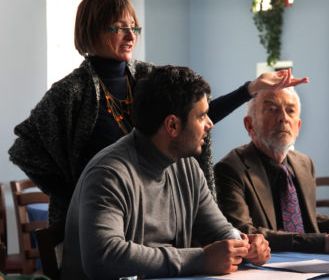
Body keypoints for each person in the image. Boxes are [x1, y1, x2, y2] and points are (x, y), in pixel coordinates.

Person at [8, 0, 308, 226]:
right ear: (93, 30)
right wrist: (76, 196)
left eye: (133, 27)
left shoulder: (149, 78)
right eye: (120, 28)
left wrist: (250, 90)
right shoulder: (71, 91)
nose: (131, 36)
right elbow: (25, 150)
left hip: (152, 216)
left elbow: (193, 122)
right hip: (96, 223)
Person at [60, 65, 271, 280]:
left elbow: (219, 231)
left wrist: (245, 245)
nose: (210, 124)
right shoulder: (109, 174)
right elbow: (103, 258)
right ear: (172, 125)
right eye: (202, 116)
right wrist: (199, 259)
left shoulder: (187, 167)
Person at [214, 86, 329, 253]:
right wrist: (321, 242)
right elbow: (243, 233)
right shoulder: (230, 169)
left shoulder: (305, 164)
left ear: (298, 125)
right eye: (272, 110)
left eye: (290, 111)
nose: (283, 118)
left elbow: (308, 220)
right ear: (249, 124)